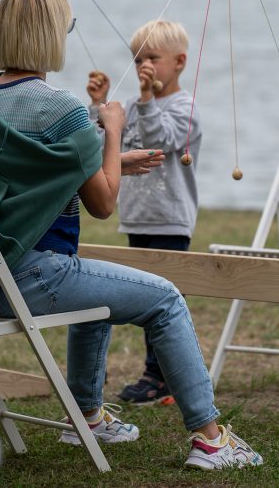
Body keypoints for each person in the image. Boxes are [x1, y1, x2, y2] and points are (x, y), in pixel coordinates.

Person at [0, 0, 261, 470]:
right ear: (49, 35)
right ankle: (212, 441)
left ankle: (87, 416)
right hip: (31, 277)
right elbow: (103, 203)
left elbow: (23, 170)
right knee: (166, 299)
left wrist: (110, 161)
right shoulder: (62, 108)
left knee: (100, 293)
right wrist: (110, 129)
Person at [86, 20, 201, 406]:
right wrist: (98, 105)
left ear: (180, 62)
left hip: (170, 220)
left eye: (152, 58)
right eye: (138, 59)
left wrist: (148, 100)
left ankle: (162, 376)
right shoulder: (133, 107)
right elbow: (102, 143)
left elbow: (160, 142)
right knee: (143, 298)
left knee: (165, 301)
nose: (143, 66)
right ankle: (157, 372)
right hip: (136, 216)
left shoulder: (186, 107)